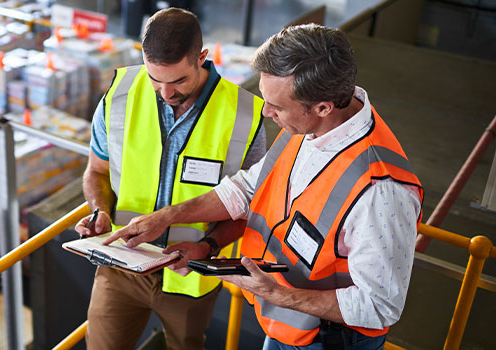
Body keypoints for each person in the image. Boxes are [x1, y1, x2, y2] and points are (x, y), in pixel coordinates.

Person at [105, 24, 424, 349]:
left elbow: (379, 306)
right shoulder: (307, 126)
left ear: (323, 107)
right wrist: (169, 217)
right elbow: (247, 189)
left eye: (276, 106)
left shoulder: (382, 191)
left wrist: (277, 293)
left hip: (328, 340)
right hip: (284, 326)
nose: (265, 111)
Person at [73, 7, 266, 349]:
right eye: (155, 80)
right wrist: (99, 210)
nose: (166, 93)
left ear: (201, 58)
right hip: (120, 262)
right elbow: (97, 171)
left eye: (178, 81)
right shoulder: (118, 95)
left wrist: (208, 247)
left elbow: (250, 208)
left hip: (189, 277)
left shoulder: (245, 115)